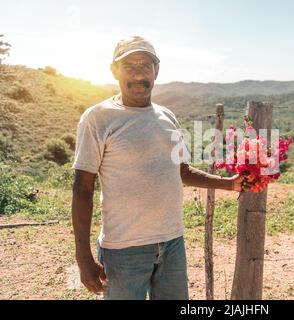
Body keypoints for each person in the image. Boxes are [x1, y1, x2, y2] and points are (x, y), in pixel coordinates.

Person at [71, 36, 254, 300]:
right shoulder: (97, 118)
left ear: (156, 70)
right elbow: (82, 188)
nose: (138, 74)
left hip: (172, 244)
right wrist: (83, 257)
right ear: (114, 71)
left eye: (145, 66)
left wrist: (230, 183)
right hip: (124, 250)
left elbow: (182, 171)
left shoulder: (167, 116)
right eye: (129, 66)